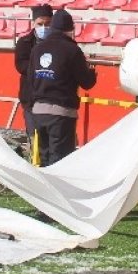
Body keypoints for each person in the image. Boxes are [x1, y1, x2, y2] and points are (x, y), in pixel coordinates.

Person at [29, 9, 97, 167]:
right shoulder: (72, 50)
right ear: (70, 29)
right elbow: (87, 82)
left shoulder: (37, 49)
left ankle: (43, 191)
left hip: (39, 111)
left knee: (44, 159)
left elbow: (31, 79)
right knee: (60, 162)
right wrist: (92, 72)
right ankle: (55, 192)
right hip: (61, 113)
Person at [14, 3, 53, 152]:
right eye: (40, 24)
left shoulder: (59, 44)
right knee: (35, 140)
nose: (44, 27)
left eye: (48, 24)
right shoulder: (24, 43)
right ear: (34, 23)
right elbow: (20, 66)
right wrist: (43, 68)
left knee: (50, 143)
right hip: (30, 100)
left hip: (52, 100)